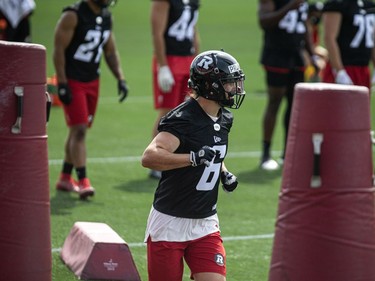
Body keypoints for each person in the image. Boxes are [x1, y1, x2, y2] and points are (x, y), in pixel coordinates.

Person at [141, 50, 246, 281]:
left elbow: (211, 150)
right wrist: (192, 158)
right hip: (170, 220)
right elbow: (149, 157)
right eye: (229, 83)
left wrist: (224, 172)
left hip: (206, 222)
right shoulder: (183, 119)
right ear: (211, 86)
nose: (236, 89)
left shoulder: (224, 118)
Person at [53, 0, 129, 199]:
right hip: (73, 80)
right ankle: (83, 180)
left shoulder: (106, 16)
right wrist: (62, 83)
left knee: (78, 130)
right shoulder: (73, 15)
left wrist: (120, 78)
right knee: (79, 130)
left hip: (92, 80)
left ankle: (64, 178)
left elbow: (110, 51)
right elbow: (58, 48)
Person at [258, 0, 318, 170]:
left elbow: (304, 24)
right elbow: (263, 21)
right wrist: (289, 7)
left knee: (295, 106)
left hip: (297, 55)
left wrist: (312, 54)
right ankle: (266, 153)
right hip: (276, 54)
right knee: (274, 103)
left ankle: (288, 153)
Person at [149, 0, 201, 179]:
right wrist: (163, 66)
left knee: (189, 110)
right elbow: (157, 33)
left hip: (187, 59)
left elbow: (193, 30)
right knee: (167, 112)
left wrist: (198, 62)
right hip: (170, 60)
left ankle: (177, 158)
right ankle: (157, 159)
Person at [322, 0, 375, 89]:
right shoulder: (338, 4)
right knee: (337, 102)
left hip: (363, 68)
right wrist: (339, 71)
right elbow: (329, 38)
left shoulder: (369, 5)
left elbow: (372, 38)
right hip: (344, 65)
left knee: (361, 102)